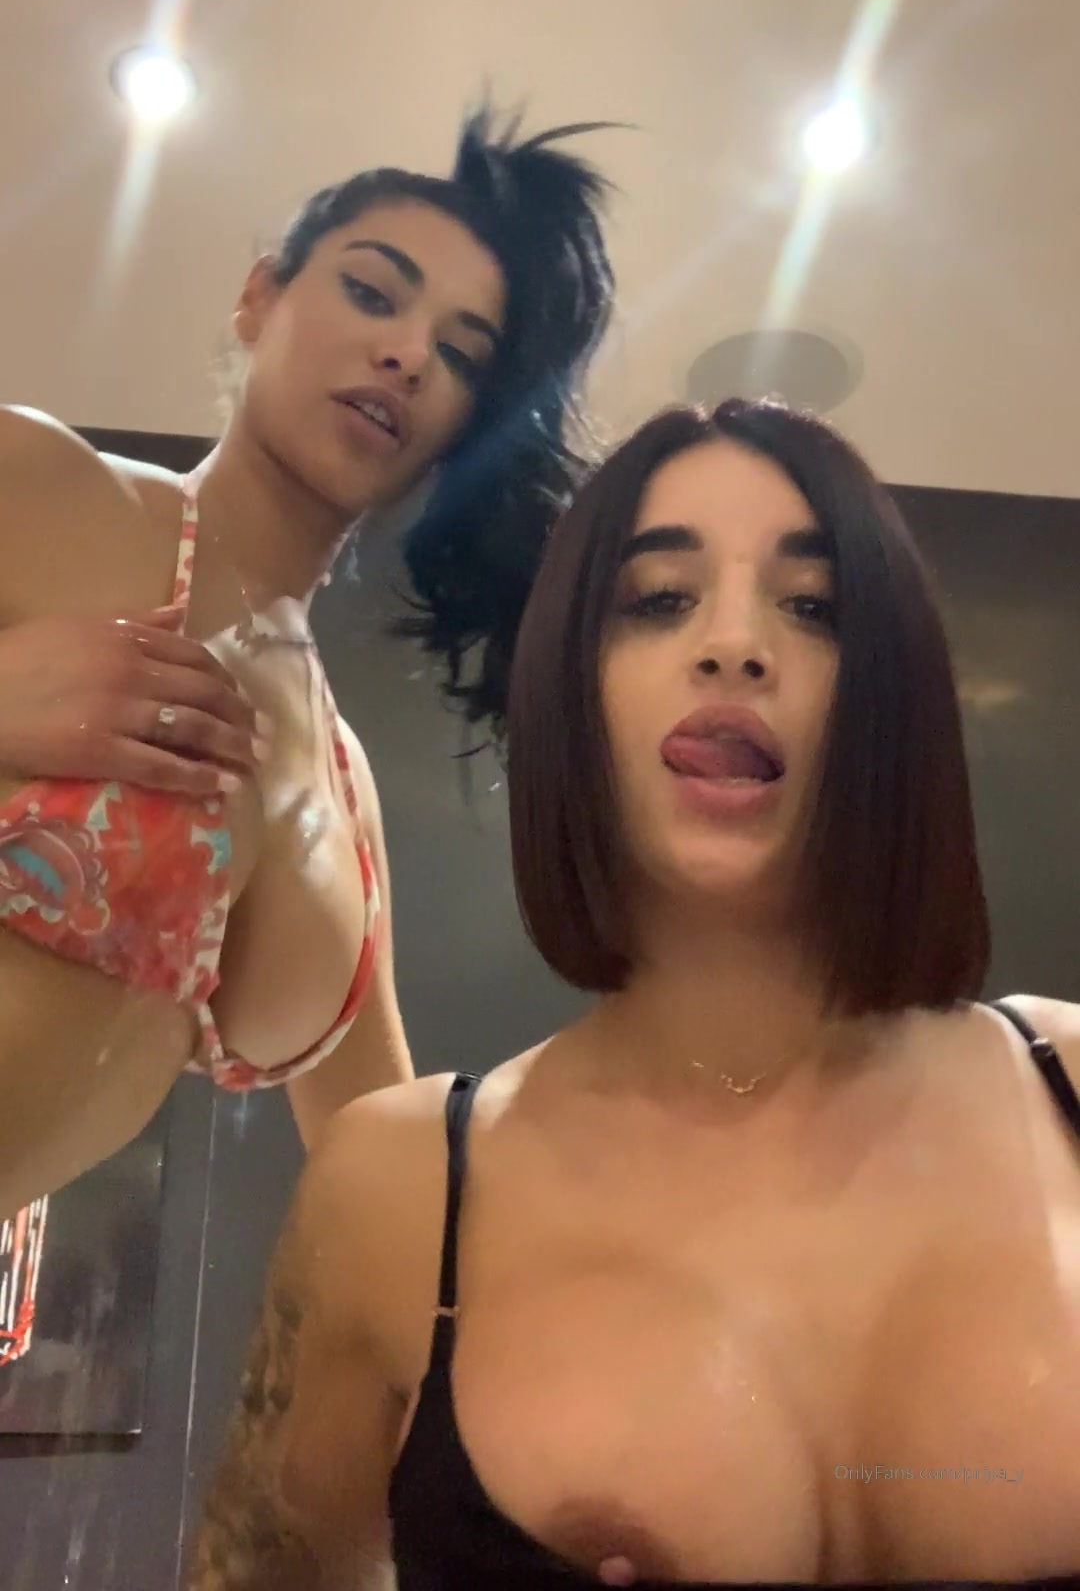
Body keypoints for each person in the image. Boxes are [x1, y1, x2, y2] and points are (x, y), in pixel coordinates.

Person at [190, 397, 1079, 1590]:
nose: (734, 644)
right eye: (659, 599)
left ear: (895, 692)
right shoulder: (396, 1195)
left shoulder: (1069, 1087)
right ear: (573, 686)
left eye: (813, 607)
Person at [0, 106, 615, 1218]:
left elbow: (386, 1165)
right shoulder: (42, 490)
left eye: (461, 354)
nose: (408, 353)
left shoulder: (343, 789)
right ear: (259, 296)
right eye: (373, 292)